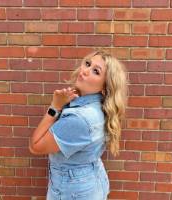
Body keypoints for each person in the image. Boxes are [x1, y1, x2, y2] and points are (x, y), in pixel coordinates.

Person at [29, 50, 127, 200]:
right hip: (92, 181)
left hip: (74, 192)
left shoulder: (79, 119)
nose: (85, 71)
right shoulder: (100, 106)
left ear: (104, 88)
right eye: (87, 63)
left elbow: (35, 146)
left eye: (96, 71)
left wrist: (55, 107)